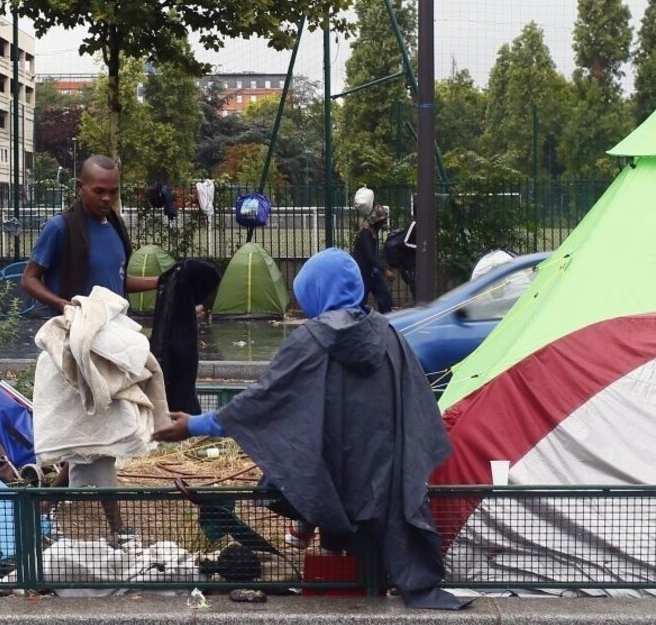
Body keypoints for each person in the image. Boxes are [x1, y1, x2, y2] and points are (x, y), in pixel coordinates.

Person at [153, 248, 465, 610]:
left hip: (329, 475)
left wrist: (194, 424)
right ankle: (371, 591)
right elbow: (417, 401)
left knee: (335, 559)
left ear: (316, 290)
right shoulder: (388, 335)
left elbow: (263, 401)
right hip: (385, 476)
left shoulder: (311, 340)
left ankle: (334, 588)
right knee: (370, 571)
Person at [21, 154, 159, 543]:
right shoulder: (61, 228)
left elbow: (114, 283)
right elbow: (30, 279)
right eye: (98, 191)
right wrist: (68, 305)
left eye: (113, 192)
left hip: (109, 345)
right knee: (102, 436)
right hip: (76, 349)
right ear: (80, 187)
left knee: (91, 438)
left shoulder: (113, 225)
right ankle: (115, 529)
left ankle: (41, 511)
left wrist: (162, 282)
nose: (106, 198)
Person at [351, 204, 394, 313]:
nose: (384, 223)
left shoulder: (373, 230)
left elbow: (374, 253)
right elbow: (369, 254)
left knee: (385, 298)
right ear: (377, 220)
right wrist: (384, 270)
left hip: (372, 271)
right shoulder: (366, 231)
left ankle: (385, 322)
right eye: (382, 220)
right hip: (362, 273)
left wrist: (382, 266)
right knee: (360, 302)